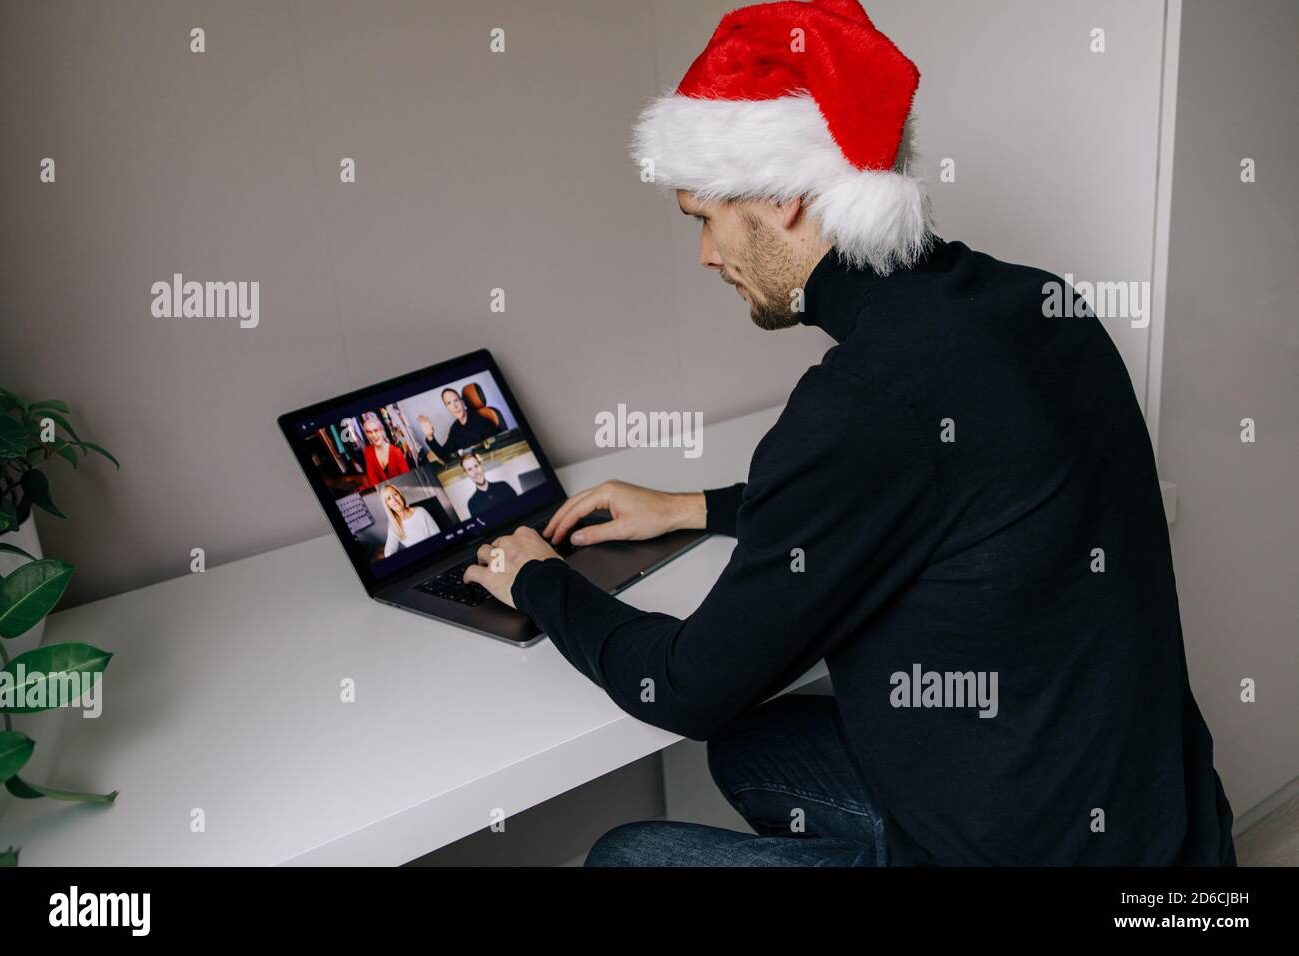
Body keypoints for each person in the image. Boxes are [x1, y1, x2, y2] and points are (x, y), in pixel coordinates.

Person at [464, 0, 1235, 867]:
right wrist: (694, 505)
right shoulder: (1034, 303)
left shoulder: (862, 402)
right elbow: (933, 495)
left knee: (625, 855)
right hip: (1154, 826)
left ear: (785, 196)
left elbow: (681, 686)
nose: (707, 256)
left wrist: (539, 581)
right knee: (757, 747)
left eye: (703, 219)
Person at [378, 484, 439, 557]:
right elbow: (389, 552)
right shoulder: (393, 525)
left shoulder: (420, 511)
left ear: (400, 495)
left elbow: (438, 537)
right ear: (387, 505)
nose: (394, 500)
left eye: (395, 494)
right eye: (389, 498)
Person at [360, 412, 410, 488]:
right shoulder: (368, 451)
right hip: (384, 492)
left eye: (376, 430)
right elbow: (373, 478)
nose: (374, 435)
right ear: (366, 435)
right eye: (369, 432)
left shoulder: (396, 452)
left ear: (382, 430)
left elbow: (407, 478)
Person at [460, 451, 517, 518]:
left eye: (476, 466)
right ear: (466, 474)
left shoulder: (503, 486)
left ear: (481, 466)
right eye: (470, 469)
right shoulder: (472, 504)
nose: (475, 472)